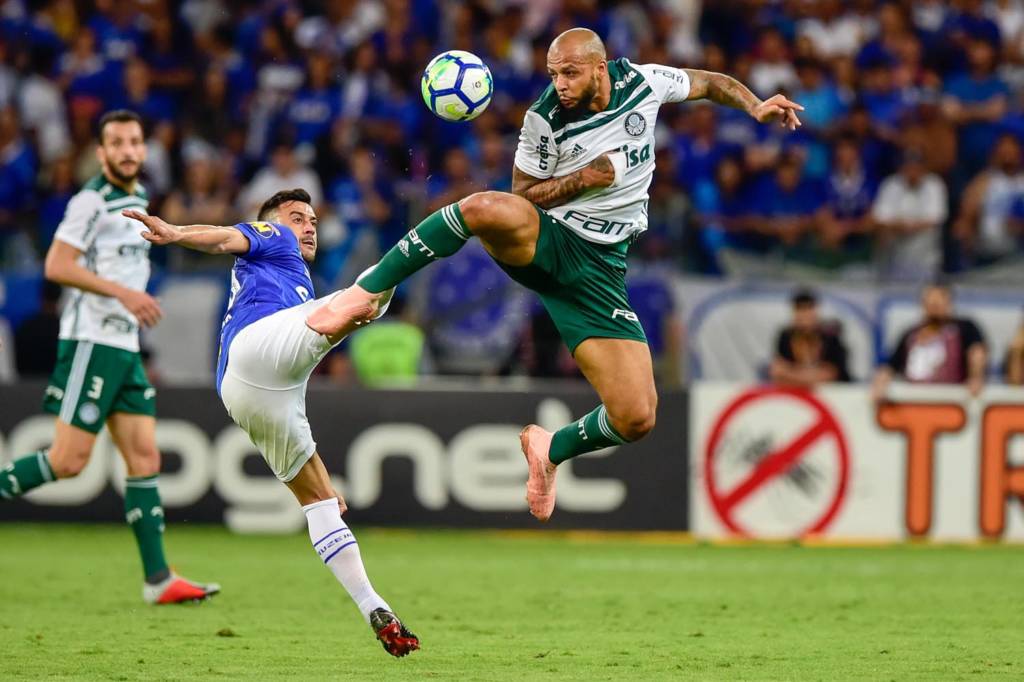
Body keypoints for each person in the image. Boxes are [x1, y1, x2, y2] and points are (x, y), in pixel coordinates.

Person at [306, 28, 804, 522]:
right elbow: (524, 194)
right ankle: (368, 290)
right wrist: (583, 180)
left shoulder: (645, 83)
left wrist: (755, 104)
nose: (560, 83)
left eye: (569, 73)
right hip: (551, 242)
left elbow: (708, 82)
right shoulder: (544, 117)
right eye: (553, 74)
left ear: (599, 67)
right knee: (484, 206)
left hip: (601, 269)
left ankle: (549, 449)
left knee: (636, 416)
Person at [122, 189, 418, 658]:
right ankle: (427, 239)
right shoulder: (273, 238)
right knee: (370, 296)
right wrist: (176, 232)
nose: (308, 227)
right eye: (297, 217)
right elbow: (223, 239)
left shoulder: (289, 272)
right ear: (273, 223)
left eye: (314, 221)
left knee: (322, 502)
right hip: (259, 345)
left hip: (247, 391)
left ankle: (373, 606)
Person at [0, 110, 217, 605]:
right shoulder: (90, 201)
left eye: (134, 141)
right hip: (91, 341)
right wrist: (123, 294)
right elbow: (57, 265)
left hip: (123, 346)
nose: (126, 150)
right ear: (100, 153)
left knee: (144, 457)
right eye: (116, 142)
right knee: (68, 461)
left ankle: (159, 578)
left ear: (144, 150)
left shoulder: (138, 200)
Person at [871, 282, 988, 401]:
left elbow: (977, 352)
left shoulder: (964, 328)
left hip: (952, 400)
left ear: (949, 303)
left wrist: (976, 377)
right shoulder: (910, 334)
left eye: (939, 301)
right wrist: (880, 383)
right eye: (930, 302)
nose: (934, 306)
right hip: (916, 400)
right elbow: (890, 365)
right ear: (923, 304)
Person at [770, 289, 851, 387]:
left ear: (815, 310)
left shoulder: (830, 335)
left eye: (808, 309)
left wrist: (792, 374)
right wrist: (810, 376)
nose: (804, 315)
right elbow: (778, 371)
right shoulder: (786, 336)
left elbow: (831, 373)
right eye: (800, 309)